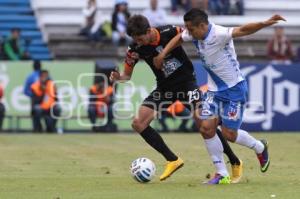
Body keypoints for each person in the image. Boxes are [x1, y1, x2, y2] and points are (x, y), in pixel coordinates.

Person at [154, 9, 282, 184]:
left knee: (229, 134)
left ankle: (259, 147)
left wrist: (266, 23)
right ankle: (222, 173)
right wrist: (162, 54)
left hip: (234, 90)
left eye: (191, 29)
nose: (188, 33)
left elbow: (243, 30)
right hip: (214, 92)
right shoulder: (194, 34)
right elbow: (179, 38)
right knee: (206, 128)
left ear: (202, 25)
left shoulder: (220, 33)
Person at [110, 14, 242, 182]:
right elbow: (126, 76)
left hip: (186, 83)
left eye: (141, 38)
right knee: (138, 123)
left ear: (149, 31)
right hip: (165, 88)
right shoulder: (134, 49)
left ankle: (234, 160)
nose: (139, 42)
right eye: (136, 39)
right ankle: (173, 160)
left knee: (204, 124)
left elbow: (193, 35)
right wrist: (117, 77)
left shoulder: (169, 31)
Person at [24, 60, 42, 130]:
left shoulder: (30, 77)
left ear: (33, 67)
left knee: (35, 114)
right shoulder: (46, 76)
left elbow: (25, 91)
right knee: (47, 115)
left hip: (34, 101)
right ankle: (49, 129)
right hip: (45, 100)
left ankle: (37, 129)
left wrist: (33, 95)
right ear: (41, 67)